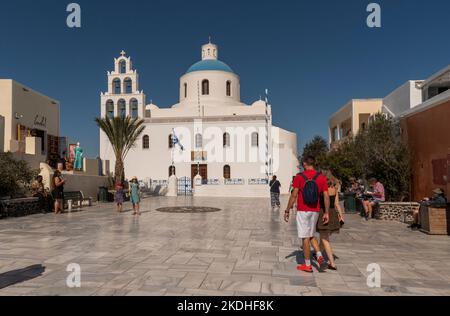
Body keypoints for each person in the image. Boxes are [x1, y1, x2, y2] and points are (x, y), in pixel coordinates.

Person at [284, 156, 330, 273]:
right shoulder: (321, 177)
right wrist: (326, 212)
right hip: (315, 210)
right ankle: (319, 257)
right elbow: (326, 196)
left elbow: (294, 195)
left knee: (305, 237)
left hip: (303, 210)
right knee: (311, 234)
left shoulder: (299, 177)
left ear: (304, 164)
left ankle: (307, 265)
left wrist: (287, 210)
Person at [317, 172, 343, 270]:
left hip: (324, 213)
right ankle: (318, 253)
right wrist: (341, 216)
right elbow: (337, 204)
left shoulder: (322, 189)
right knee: (324, 236)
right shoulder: (335, 188)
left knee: (325, 239)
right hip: (333, 214)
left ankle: (332, 263)